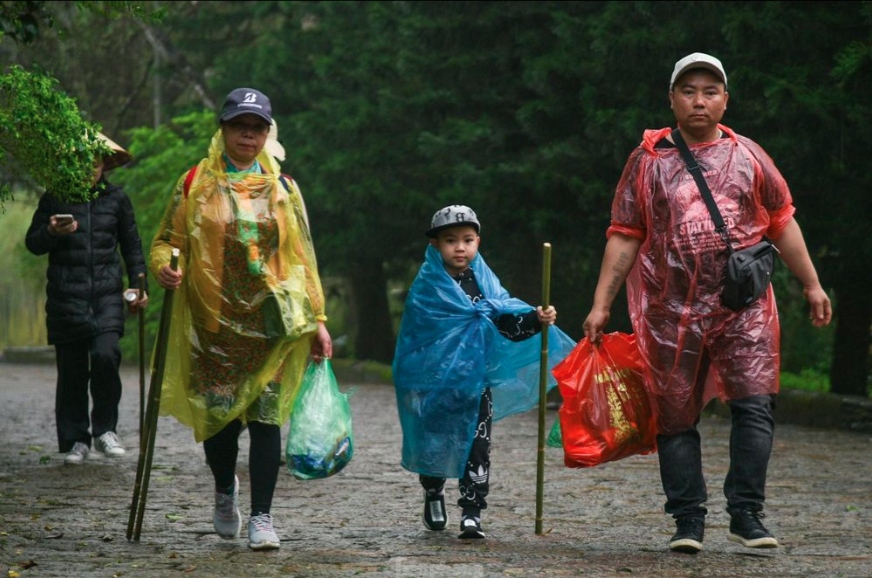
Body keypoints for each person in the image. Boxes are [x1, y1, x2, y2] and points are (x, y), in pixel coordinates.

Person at [582, 53, 832, 554]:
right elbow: (626, 233)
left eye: (710, 91)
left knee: (755, 405)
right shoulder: (648, 161)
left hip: (742, 305)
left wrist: (811, 283)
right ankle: (688, 520)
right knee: (675, 414)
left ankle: (747, 513)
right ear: (672, 98)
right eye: (689, 90)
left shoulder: (749, 156)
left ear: (725, 100)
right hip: (668, 311)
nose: (700, 100)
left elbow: (781, 220)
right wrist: (601, 304)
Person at [149, 87, 332, 551]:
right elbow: (167, 241)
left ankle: (262, 516)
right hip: (213, 328)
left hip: (271, 326)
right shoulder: (194, 183)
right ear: (224, 129)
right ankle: (225, 488)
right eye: (238, 126)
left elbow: (303, 258)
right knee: (221, 426)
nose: (247, 135)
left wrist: (319, 319)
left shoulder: (285, 189)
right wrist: (167, 267)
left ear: (267, 134)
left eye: (256, 128)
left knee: (268, 422)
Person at [392, 204, 575, 540]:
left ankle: (472, 512)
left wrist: (536, 319)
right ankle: (433, 490)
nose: (459, 247)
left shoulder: (485, 283)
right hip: (434, 384)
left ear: (478, 241)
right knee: (434, 442)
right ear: (435, 245)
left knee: (477, 446)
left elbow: (506, 322)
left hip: (476, 383)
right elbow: (417, 338)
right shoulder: (427, 288)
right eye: (450, 240)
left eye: (467, 239)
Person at [25, 133, 149, 465]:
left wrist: (139, 287)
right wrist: (52, 232)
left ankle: (105, 429)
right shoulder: (54, 199)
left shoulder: (117, 199)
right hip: (66, 296)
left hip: (107, 295)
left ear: (104, 164)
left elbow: (132, 247)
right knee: (72, 369)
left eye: (93, 162)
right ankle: (75, 440)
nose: (87, 168)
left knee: (107, 355)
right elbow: (33, 243)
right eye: (79, 162)